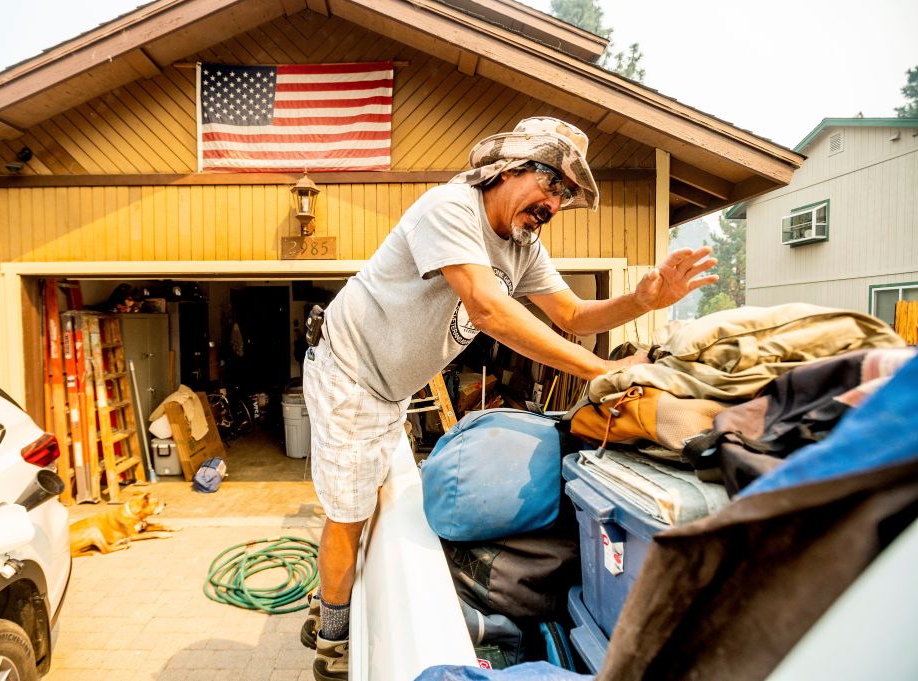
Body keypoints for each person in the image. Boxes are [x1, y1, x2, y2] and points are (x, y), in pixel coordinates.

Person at [299, 117, 718, 681]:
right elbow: (488, 310)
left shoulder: (523, 244)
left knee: (368, 501)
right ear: (511, 167)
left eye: (567, 195)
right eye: (553, 183)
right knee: (348, 513)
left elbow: (571, 315)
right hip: (349, 375)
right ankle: (330, 637)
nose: (557, 202)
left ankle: (331, 595)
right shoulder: (449, 207)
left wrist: (643, 299)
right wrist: (602, 371)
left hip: (388, 387)